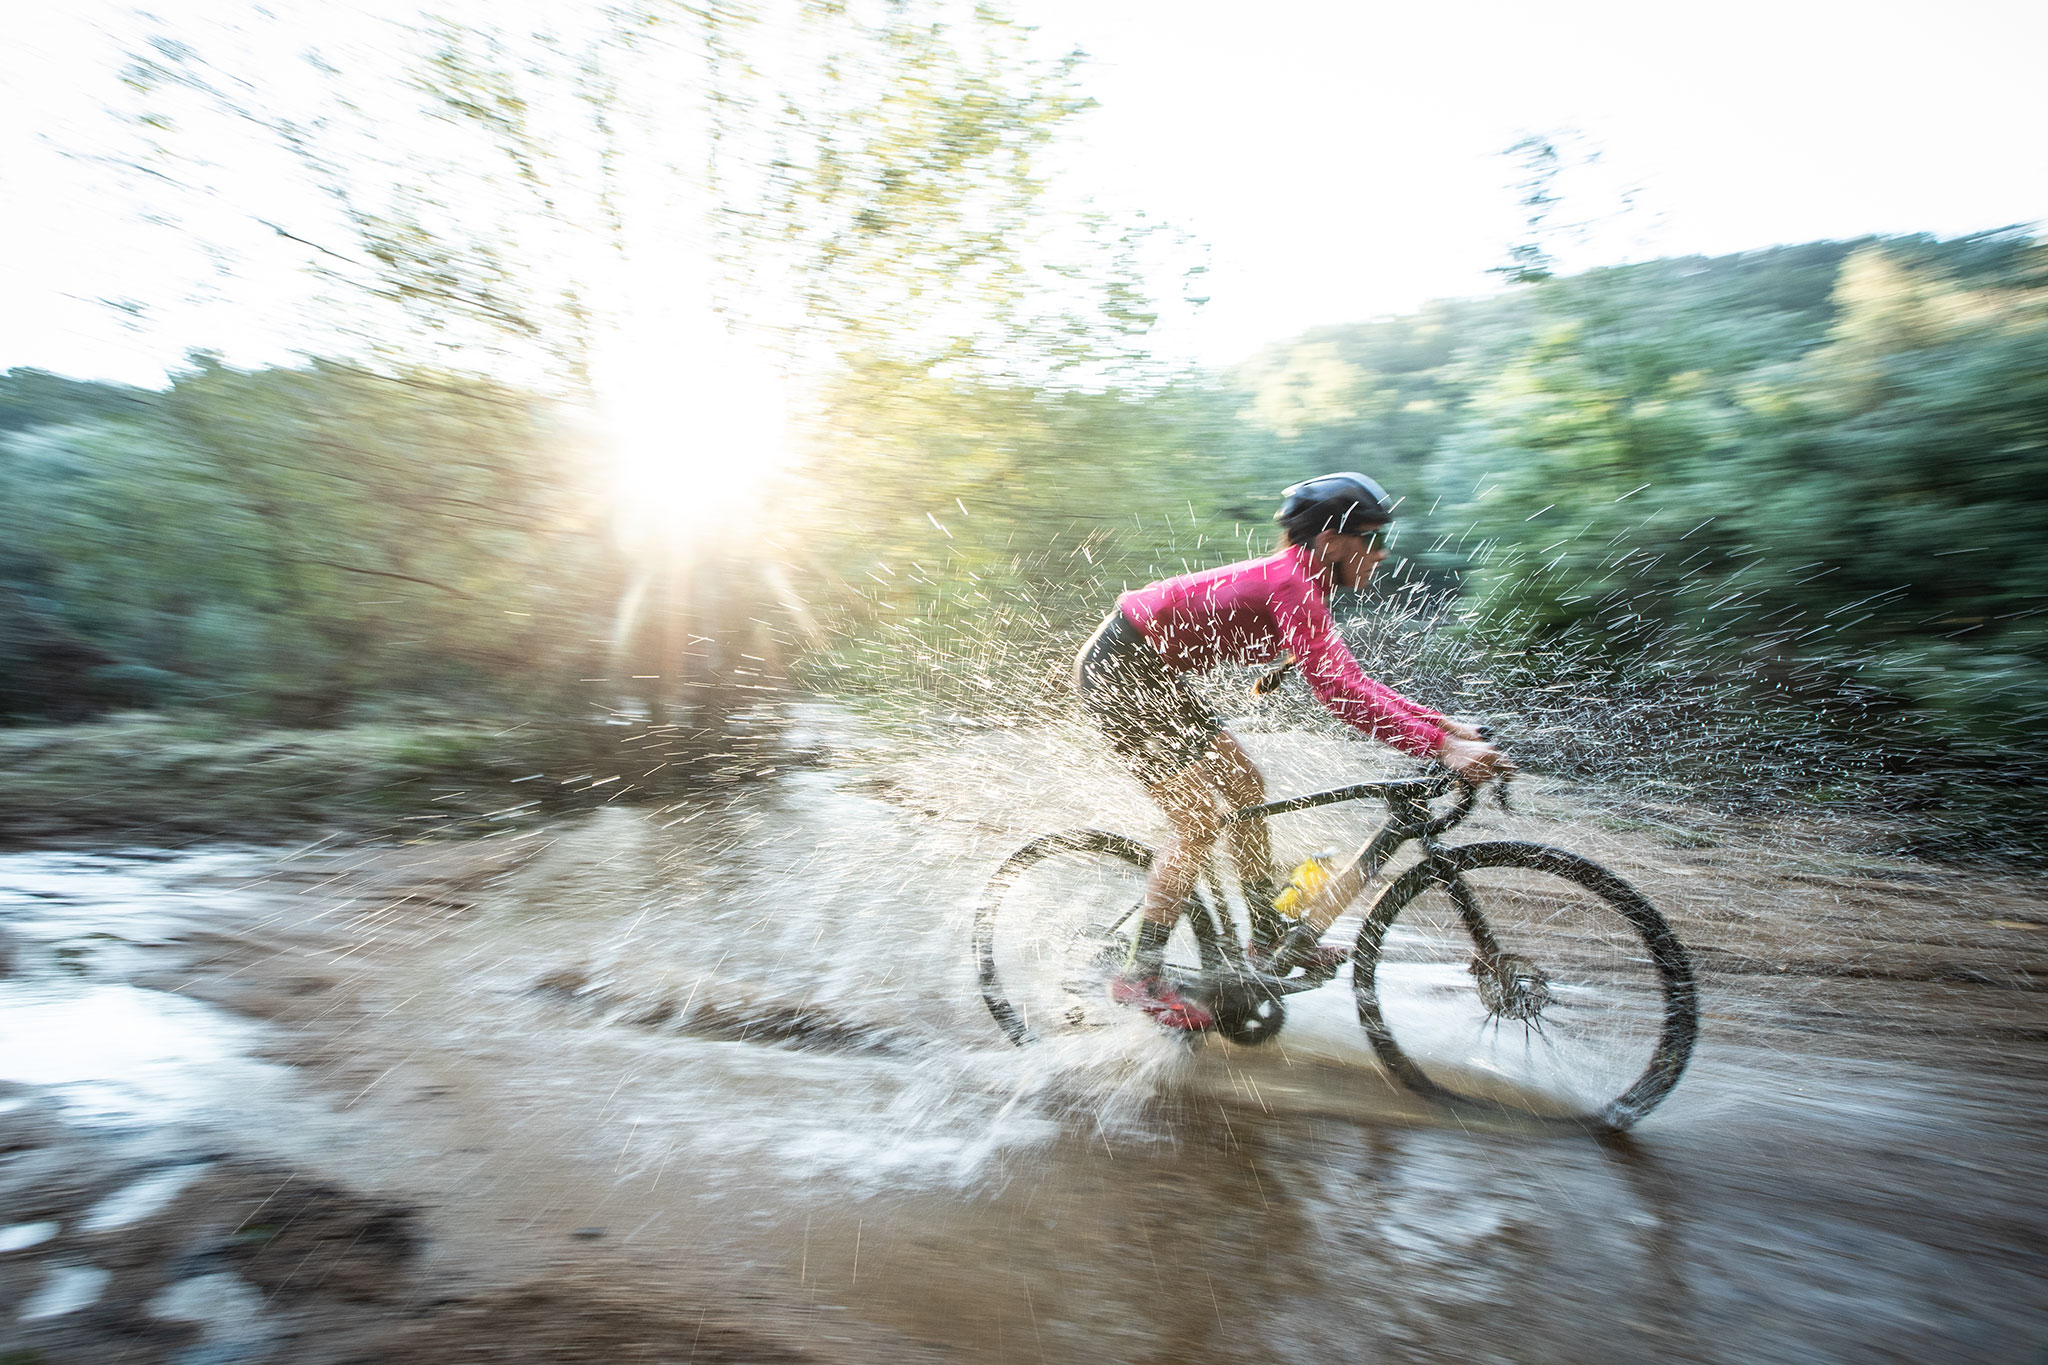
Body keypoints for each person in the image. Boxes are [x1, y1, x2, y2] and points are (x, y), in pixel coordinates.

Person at [1072, 472, 1511, 1030]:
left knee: (1245, 785)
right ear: (1330, 539)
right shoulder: (1292, 584)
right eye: (1372, 540)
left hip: (1151, 674)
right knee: (1199, 819)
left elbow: (1353, 681)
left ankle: (1263, 937)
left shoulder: (1307, 582)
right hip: (1119, 670)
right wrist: (1442, 747)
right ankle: (1139, 972)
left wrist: (1444, 730)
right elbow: (1339, 696)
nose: (1381, 555)